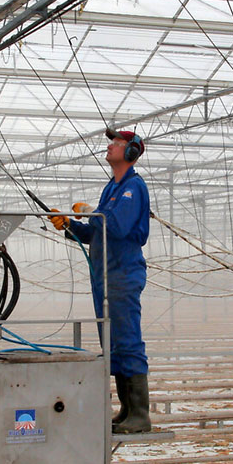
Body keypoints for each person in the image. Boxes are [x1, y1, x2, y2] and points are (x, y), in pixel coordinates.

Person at [51, 129, 151, 434]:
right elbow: (97, 232)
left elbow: (116, 226)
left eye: (117, 143)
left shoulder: (133, 187)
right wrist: (70, 225)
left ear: (131, 152)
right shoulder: (112, 188)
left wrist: (89, 212)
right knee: (114, 344)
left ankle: (141, 414)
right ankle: (127, 410)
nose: (109, 147)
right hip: (104, 275)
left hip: (122, 273)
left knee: (128, 341)